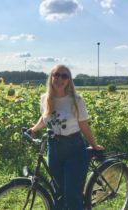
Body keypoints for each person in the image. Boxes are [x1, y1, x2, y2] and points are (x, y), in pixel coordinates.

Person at [28, 64, 104, 210]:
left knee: (72, 194)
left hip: (74, 148)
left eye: (64, 76)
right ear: (51, 77)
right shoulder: (45, 98)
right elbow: (45, 118)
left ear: (69, 80)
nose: (59, 79)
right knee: (58, 192)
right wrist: (33, 129)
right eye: (56, 75)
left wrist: (94, 145)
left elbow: (84, 126)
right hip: (54, 149)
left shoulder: (76, 99)